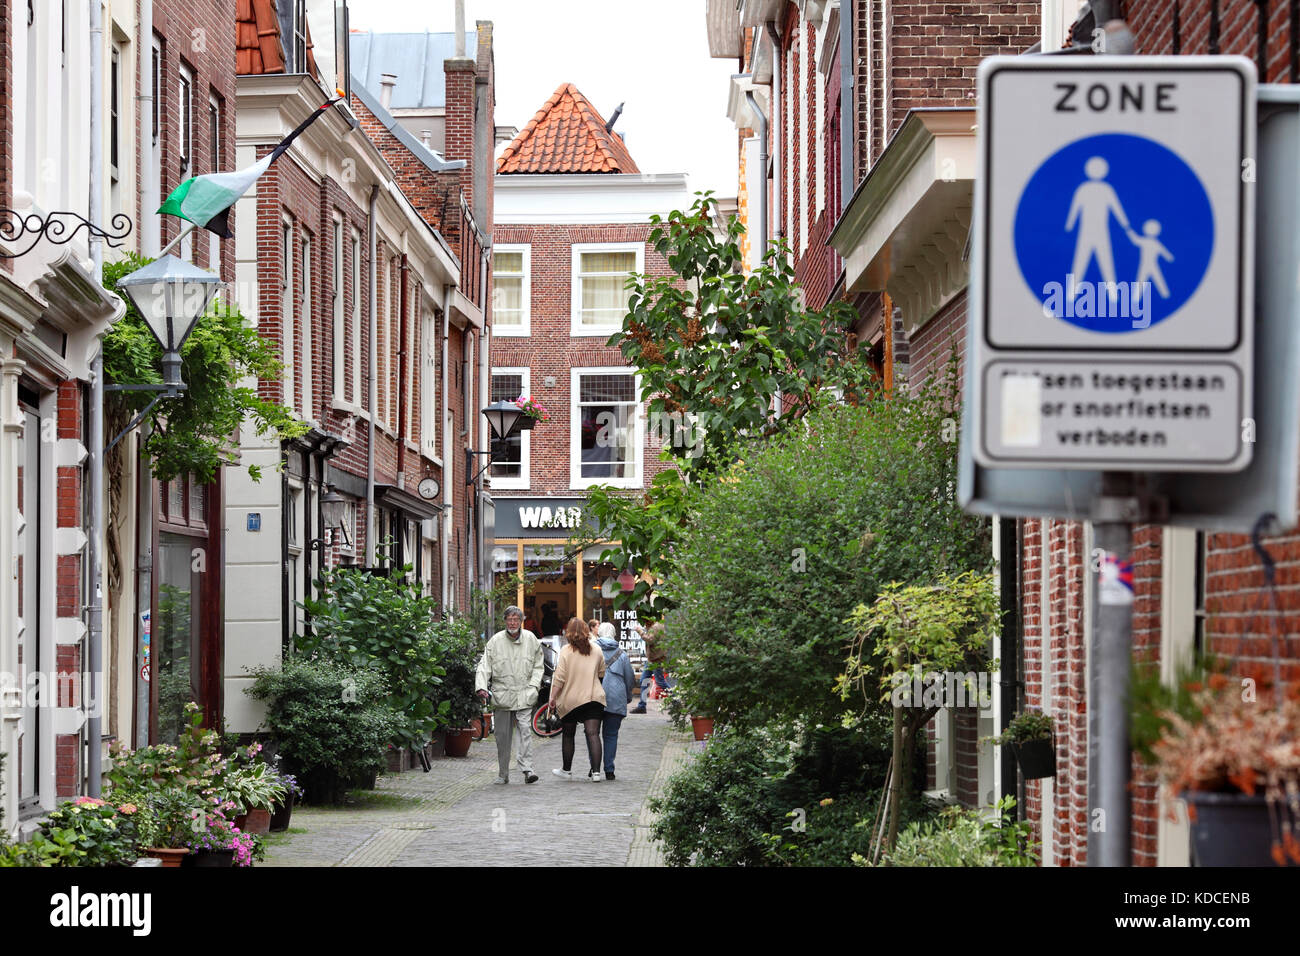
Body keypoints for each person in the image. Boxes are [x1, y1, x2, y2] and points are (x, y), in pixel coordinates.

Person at [475, 606, 543, 785]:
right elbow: (484, 665)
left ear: (521, 621)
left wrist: (534, 686)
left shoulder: (531, 639)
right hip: (502, 695)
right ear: (505, 621)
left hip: (524, 693)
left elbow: (538, 665)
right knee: (502, 736)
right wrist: (481, 687)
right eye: (509, 619)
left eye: (516, 619)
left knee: (525, 731)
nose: (512, 623)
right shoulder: (495, 641)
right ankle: (503, 772)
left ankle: (527, 769)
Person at [548, 618, 607, 782]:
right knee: (593, 734)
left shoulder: (566, 651)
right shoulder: (596, 649)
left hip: (571, 699)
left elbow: (559, 678)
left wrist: (552, 697)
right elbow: (602, 673)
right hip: (594, 696)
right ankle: (596, 773)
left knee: (568, 735)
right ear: (587, 631)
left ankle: (566, 770)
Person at [595, 622, 637, 780]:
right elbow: (629, 679)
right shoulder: (622, 654)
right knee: (611, 735)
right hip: (616, 698)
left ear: (598, 633)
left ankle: (595, 768)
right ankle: (609, 770)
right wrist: (627, 696)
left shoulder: (592, 651)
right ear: (614, 634)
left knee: (592, 733)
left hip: (594, 696)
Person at [632, 621, 669, 713]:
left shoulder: (655, 627)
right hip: (652, 659)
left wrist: (640, 631)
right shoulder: (656, 626)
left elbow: (650, 639)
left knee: (660, 682)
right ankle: (642, 706)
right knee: (644, 680)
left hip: (656, 660)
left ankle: (677, 700)